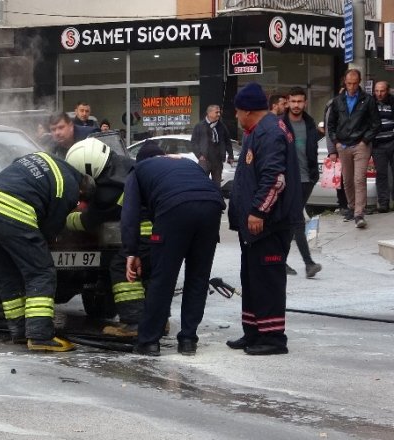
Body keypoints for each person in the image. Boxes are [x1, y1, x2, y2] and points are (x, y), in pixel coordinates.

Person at [0, 149, 95, 352]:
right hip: (14, 210)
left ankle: (20, 331)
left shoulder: (47, 159)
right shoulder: (70, 188)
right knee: (41, 272)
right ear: (82, 192)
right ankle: (40, 335)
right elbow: (50, 229)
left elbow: (16, 162)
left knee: (7, 274)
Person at [122, 143, 225, 356]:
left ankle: (149, 341)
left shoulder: (138, 170)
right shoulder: (186, 163)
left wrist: (132, 252)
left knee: (163, 278)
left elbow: (130, 215)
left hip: (174, 209)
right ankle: (188, 340)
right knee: (198, 277)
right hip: (212, 207)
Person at [227, 82, 303, 356]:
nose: (236, 116)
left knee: (268, 280)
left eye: (237, 111)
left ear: (247, 110)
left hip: (270, 223)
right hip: (253, 227)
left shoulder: (270, 132)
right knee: (251, 278)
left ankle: (272, 338)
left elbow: (275, 179)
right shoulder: (256, 130)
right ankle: (254, 332)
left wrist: (259, 210)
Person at [64, 138, 148, 339]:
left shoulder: (105, 193)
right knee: (152, 274)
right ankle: (158, 322)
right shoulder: (125, 164)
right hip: (167, 225)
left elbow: (88, 221)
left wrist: (66, 220)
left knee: (121, 266)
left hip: (146, 230)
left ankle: (134, 323)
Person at [327, 69, 380, 229]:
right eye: (349, 83)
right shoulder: (337, 101)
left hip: (361, 145)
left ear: (359, 82)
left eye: (355, 83)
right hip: (343, 145)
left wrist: (365, 140)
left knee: (359, 179)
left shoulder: (368, 100)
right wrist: (336, 142)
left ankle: (359, 213)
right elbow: (331, 124)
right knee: (347, 180)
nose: (351, 87)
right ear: (345, 81)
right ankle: (351, 207)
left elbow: (375, 123)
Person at [282, 87, 322, 278]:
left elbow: (312, 151)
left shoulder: (309, 123)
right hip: (288, 180)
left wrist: (314, 176)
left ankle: (280, 260)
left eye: (300, 102)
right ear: (288, 102)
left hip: (307, 179)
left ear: (305, 102)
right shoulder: (281, 124)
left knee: (292, 221)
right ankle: (309, 263)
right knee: (297, 219)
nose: (296, 105)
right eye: (293, 101)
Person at [190, 104, 235, 187]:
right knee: (202, 183)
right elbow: (193, 142)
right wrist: (199, 155)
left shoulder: (221, 126)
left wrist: (231, 156)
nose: (219, 114)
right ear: (209, 113)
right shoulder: (199, 126)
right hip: (204, 160)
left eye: (219, 112)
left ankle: (216, 198)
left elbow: (228, 142)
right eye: (216, 112)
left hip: (217, 161)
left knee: (217, 184)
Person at [373, 81, 394, 213]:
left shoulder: (392, 102)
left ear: (388, 91)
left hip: (392, 141)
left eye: (382, 91)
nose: (379, 94)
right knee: (381, 174)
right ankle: (383, 202)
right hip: (377, 144)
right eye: (377, 91)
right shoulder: (370, 103)